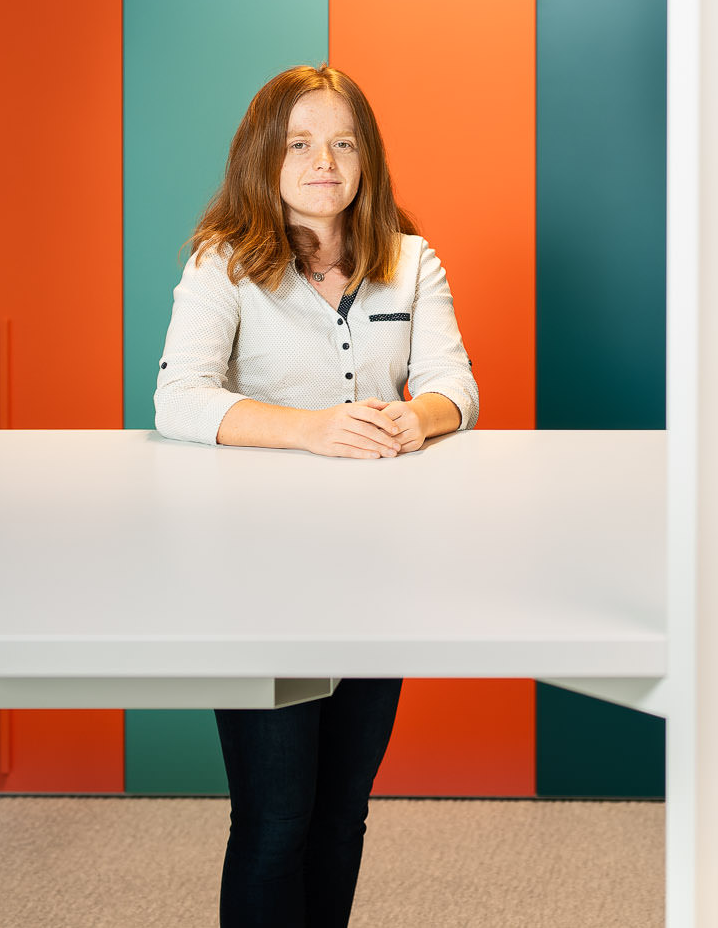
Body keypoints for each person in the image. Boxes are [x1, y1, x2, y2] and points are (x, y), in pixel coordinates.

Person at [155, 63, 479, 928]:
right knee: (275, 819)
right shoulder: (223, 262)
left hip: (378, 571)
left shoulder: (410, 262)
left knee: (343, 812)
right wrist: (310, 427)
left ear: (365, 158)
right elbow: (178, 397)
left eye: (342, 142)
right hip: (256, 577)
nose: (323, 161)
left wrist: (420, 419)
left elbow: (456, 385)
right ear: (266, 156)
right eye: (300, 143)